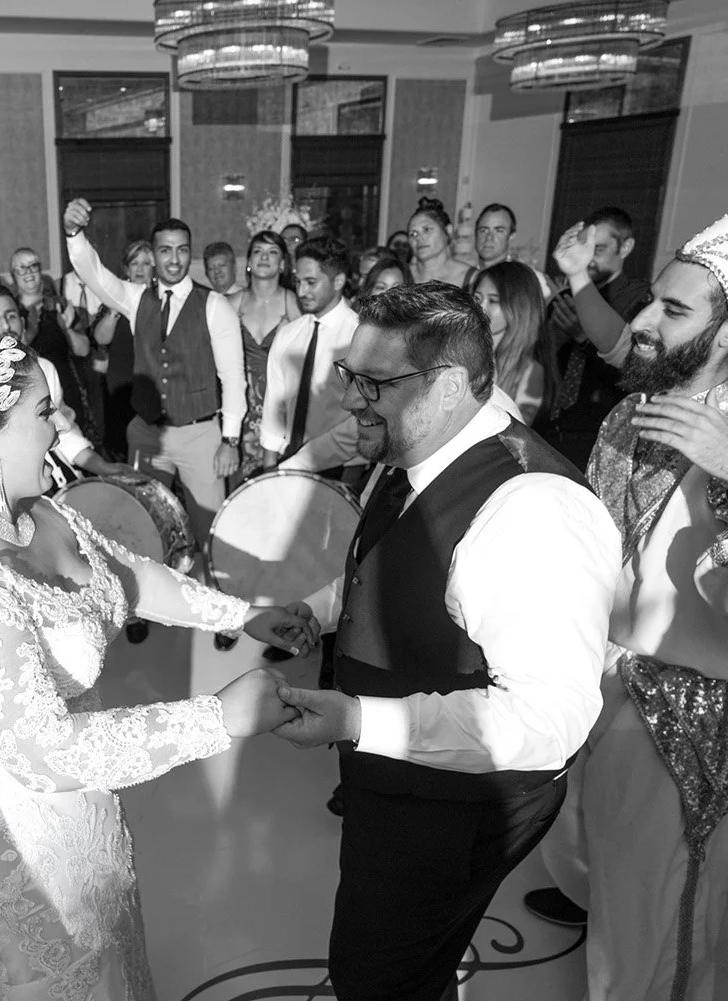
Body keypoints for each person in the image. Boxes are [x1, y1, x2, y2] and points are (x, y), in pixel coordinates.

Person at [0, 336, 315, 998]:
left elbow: (123, 579)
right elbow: (44, 751)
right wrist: (220, 717)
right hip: (6, 859)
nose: (63, 423)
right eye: (46, 410)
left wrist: (238, 615)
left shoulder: (40, 509)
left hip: (82, 816)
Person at [526, 183, 728, 1001]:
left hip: (690, 714)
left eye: (671, 312)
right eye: (651, 304)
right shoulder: (630, 414)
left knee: (660, 923)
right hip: (602, 689)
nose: (641, 322)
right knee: (600, 870)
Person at [269, 282, 620, 1000]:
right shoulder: (415, 447)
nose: (353, 398)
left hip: (455, 805)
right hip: (399, 773)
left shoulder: (531, 511)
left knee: (379, 975)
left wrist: (363, 719)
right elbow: (398, 567)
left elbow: (547, 722)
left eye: (375, 382)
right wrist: (316, 610)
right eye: (350, 375)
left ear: (451, 384)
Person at [63, 199, 248, 546]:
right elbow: (95, 274)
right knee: (148, 527)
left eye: (182, 250)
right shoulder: (135, 298)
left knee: (210, 532)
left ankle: (211, 593)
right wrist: (74, 233)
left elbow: (233, 377)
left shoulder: (214, 305)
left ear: (189, 253)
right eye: (165, 250)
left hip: (200, 434)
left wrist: (230, 440)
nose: (174, 259)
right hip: (147, 432)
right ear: (155, 254)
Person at [0, 284, 133, 481]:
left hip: (54, 476)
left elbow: (64, 433)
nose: (5, 326)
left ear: (22, 322)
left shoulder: (43, 368)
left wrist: (104, 467)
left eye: (11, 316)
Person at [535, 206, 654, 468]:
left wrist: (583, 337)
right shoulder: (565, 297)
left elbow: (635, 377)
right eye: (584, 249)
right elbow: (537, 360)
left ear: (625, 247)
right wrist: (557, 335)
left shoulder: (639, 303)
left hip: (603, 436)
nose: (587, 259)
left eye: (598, 250)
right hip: (549, 429)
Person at [261, 238, 360, 476]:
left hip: (343, 466)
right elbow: (275, 402)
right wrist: (269, 467)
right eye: (298, 281)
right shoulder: (288, 334)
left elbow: (362, 418)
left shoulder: (359, 335)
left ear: (338, 281)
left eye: (311, 282)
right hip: (287, 461)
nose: (301, 291)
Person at [229, 230, 301, 484]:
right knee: (240, 486)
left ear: (282, 264)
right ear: (248, 262)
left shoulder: (293, 303)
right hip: (242, 405)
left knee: (276, 484)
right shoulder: (232, 303)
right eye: (258, 251)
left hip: (279, 404)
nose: (264, 258)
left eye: (272, 253)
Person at [12, 247, 96, 442]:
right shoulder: (12, 311)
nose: (29, 273)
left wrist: (67, 329)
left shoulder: (59, 305)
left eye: (33, 266)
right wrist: (29, 330)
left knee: (73, 437)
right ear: (14, 275)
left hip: (67, 384)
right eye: (22, 268)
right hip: (31, 389)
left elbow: (83, 350)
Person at [90, 239, 154, 461]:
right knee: (123, 448)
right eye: (134, 263)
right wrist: (115, 308)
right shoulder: (114, 299)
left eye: (145, 263)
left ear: (154, 268)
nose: (139, 269)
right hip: (121, 385)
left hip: (154, 384)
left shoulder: (162, 300)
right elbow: (100, 338)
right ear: (126, 269)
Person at [471, 262, 548, 424]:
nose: (481, 307)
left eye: (493, 301)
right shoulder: (458, 352)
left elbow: (517, 437)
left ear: (518, 306)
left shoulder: (530, 371)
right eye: (477, 298)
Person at [467, 203, 553, 299]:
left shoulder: (527, 278)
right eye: (483, 230)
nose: (489, 237)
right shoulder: (464, 276)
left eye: (499, 231)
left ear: (512, 235)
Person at [407, 198, 473, 289]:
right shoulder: (401, 275)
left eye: (427, 230)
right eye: (413, 233)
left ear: (448, 230)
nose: (419, 238)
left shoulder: (472, 279)